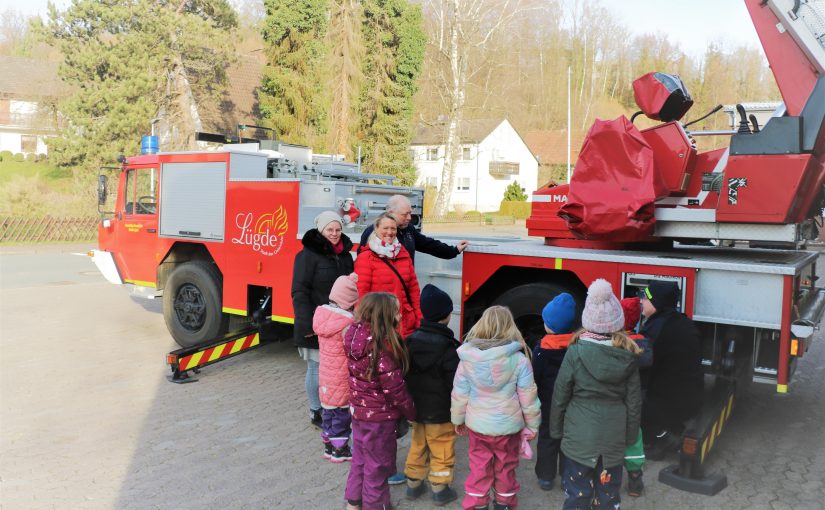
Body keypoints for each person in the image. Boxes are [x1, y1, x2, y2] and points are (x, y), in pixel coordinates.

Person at [549, 278, 642, 510]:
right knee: (608, 497)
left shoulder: (575, 351)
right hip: (612, 441)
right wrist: (629, 438)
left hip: (579, 440)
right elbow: (633, 403)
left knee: (577, 496)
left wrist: (556, 430)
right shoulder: (628, 356)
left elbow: (560, 395)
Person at [451, 305, 541, 510]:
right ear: (511, 328)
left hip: (478, 426)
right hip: (507, 429)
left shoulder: (467, 360)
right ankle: (505, 504)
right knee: (506, 467)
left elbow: (459, 393)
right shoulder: (519, 360)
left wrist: (458, 419)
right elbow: (528, 396)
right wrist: (533, 425)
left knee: (479, 468)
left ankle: (477, 504)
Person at [344, 292, 417, 510]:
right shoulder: (382, 347)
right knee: (377, 468)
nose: (401, 315)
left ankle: (353, 503)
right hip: (380, 419)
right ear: (386, 315)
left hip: (359, 413)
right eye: (396, 311)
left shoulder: (355, 336)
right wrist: (412, 413)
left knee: (360, 459)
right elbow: (395, 389)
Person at [292, 211, 355, 429]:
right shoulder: (306, 256)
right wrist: (308, 324)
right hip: (316, 324)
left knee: (337, 370)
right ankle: (316, 409)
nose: (335, 234)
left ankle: (337, 406)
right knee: (316, 368)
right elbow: (299, 291)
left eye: (338, 230)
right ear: (321, 230)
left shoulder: (346, 256)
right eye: (330, 230)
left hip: (342, 324)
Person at [403, 284, 460, 506]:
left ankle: (413, 485)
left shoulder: (410, 341)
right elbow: (455, 383)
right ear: (446, 316)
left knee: (418, 444)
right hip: (440, 411)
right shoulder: (449, 348)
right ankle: (440, 487)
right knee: (442, 448)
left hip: (416, 409)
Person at [639, 281, 703, 460]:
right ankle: (671, 428)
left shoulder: (656, 330)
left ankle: (661, 438)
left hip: (672, 404)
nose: (642, 301)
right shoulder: (682, 321)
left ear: (657, 303)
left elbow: (640, 365)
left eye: (646, 298)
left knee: (629, 397)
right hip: (692, 398)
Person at [532, 292, 577, 491]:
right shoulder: (577, 347)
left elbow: (535, 378)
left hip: (548, 403)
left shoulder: (541, 349)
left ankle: (545, 476)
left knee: (548, 438)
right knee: (568, 439)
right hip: (571, 403)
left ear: (549, 325)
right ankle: (567, 477)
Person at [313, 273, 359, 463]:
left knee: (328, 412)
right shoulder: (347, 323)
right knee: (341, 414)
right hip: (341, 376)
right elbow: (352, 350)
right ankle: (340, 450)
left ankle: (328, 445)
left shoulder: (321, 316)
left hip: (325, 375)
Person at [355, 212, 422, 338]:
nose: (390, 232)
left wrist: (419, 319)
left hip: (406, 323)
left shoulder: (403, 253)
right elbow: (361, 295)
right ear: (376, 229)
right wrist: (366, 326)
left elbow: (413, 290)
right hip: (380, 324)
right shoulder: (366, 257)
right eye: (385, 228)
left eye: (393, 228)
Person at [359, 194, 469, 264]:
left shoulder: (408, 229)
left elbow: (429, 245)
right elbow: (363, 263)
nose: (409, 218)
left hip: (406, 287)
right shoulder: (373, 232)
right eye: (405, 214)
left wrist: (454, 250)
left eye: (410, 213)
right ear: (391, 213)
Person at [619, 296, 652, 497]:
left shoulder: (613, 344)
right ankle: (634, 479)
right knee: (634, 439)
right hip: (635, 402)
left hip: (614, 403)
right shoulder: (643, 345)